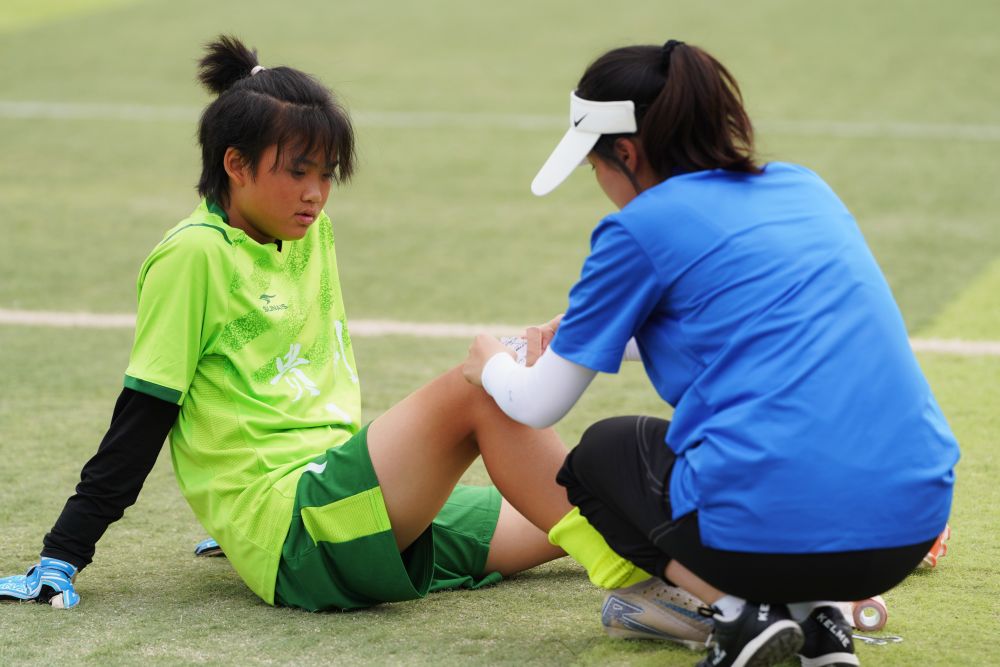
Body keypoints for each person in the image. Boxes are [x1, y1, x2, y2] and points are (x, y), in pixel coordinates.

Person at [0, 35, 574, 613]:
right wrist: (64, 552)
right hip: (295, 528)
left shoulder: (309, 232)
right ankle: (629, 582)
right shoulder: (193, 256)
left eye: (327, 174)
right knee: (482, 387)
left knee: (585, 516)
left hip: (349, 501)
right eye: (298, 172)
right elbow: (144, 415)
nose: (316, 194)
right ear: (236, 165)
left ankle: (637, 557)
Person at [463, 40, 959, 667]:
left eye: (595, 166)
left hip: (772, 536)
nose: (602, 185)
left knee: (601, 457)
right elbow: (737, 327)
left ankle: (741, 613)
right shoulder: (803, 187)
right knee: (787, 449)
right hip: (910, 528)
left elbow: (538, 404)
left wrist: (489, 363)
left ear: (626, 153)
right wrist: (593, 333)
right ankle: (822, 625)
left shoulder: (637, 228)